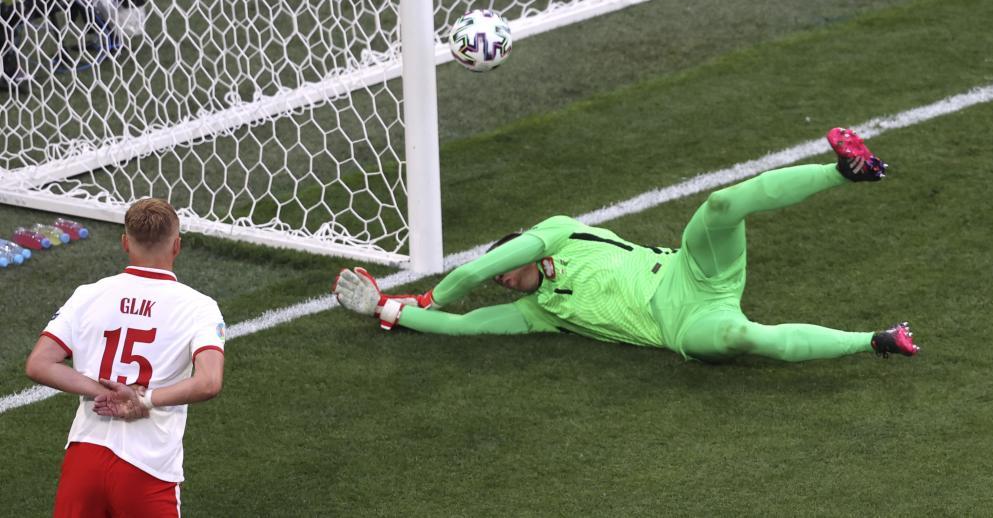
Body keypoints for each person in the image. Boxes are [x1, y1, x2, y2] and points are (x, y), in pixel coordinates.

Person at [333, 127, 919, 363]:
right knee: (743, 338)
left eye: (505, 268)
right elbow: (465, 328)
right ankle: (876, 340)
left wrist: (429, 296)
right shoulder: (539, 314)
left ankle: (845, 172)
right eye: (501, 280)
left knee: (719, 206)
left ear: (528, 251)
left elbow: (474, 273)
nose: (503, 280)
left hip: (690, 271)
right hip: (682, 327)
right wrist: (388, 309)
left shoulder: (560, 230)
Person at [25, 198, 226, 517]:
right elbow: (209, 382)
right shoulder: (199, 307)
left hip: (84, 459)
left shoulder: (88, 295)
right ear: (177, 245)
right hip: (148, 467)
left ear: (125, 243)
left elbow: (39, 363)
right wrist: (143, 400)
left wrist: (103, 392)